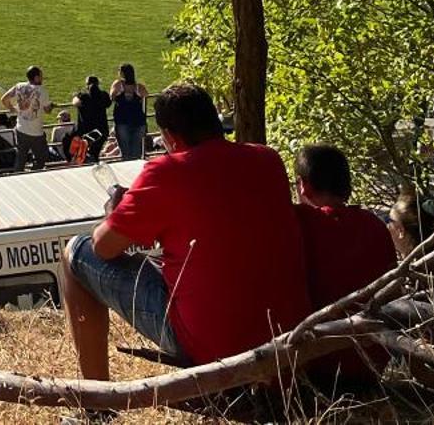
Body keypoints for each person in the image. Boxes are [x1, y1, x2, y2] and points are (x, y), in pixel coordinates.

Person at [59, 82, 309, 378]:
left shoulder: (165, 172)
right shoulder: (268, 159)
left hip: (212, 344)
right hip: (287, 337)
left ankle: (95, 403)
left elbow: (103, 247)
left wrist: (116, 211)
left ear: (169, 137)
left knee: (75, 253)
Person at [294, 145, 396, 307]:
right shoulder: (374, 225)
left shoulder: (300, 222)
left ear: (302, 186)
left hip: (317, 329)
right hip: (379, 326)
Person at [3, 66, 52, 170]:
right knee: (41, 157)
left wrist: (12, 109)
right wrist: (50, 106)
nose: (43, 78)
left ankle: (17, 178)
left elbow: (4, 99)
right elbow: (47, 110)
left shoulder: (19, 86)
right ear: (36, 78)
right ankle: (34, 172)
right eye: (41, 76)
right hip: (36, 133)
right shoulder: (42, 91)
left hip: (20, 129)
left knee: (20, 159)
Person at [110, 63, 149, 159]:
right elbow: (146, 95)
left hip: (122, 121)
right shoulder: (139, 87)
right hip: (139, 122)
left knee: (125, 153)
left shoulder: (118, 85)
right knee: (136, 153)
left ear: (122, 73)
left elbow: (112, 96)